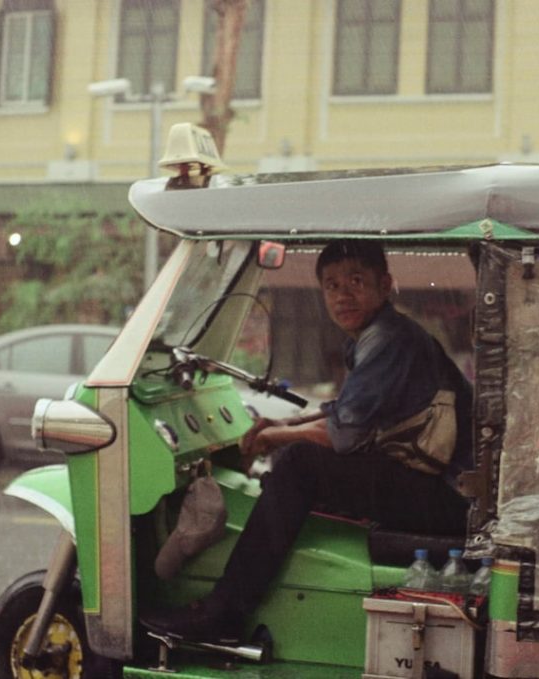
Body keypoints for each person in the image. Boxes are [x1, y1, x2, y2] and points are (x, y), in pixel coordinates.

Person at [141, 240, 473, 644]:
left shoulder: (389, 340)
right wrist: (282, 422)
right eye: (332, 286)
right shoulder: (377, 336)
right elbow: (347, 411)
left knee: (299, 464)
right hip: (435, 486)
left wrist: (272, 439)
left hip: (446, 497)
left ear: (385, 285)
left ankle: (224, 614)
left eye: (356, 281)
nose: (343, 295)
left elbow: (343, 436)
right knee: (296, 458)